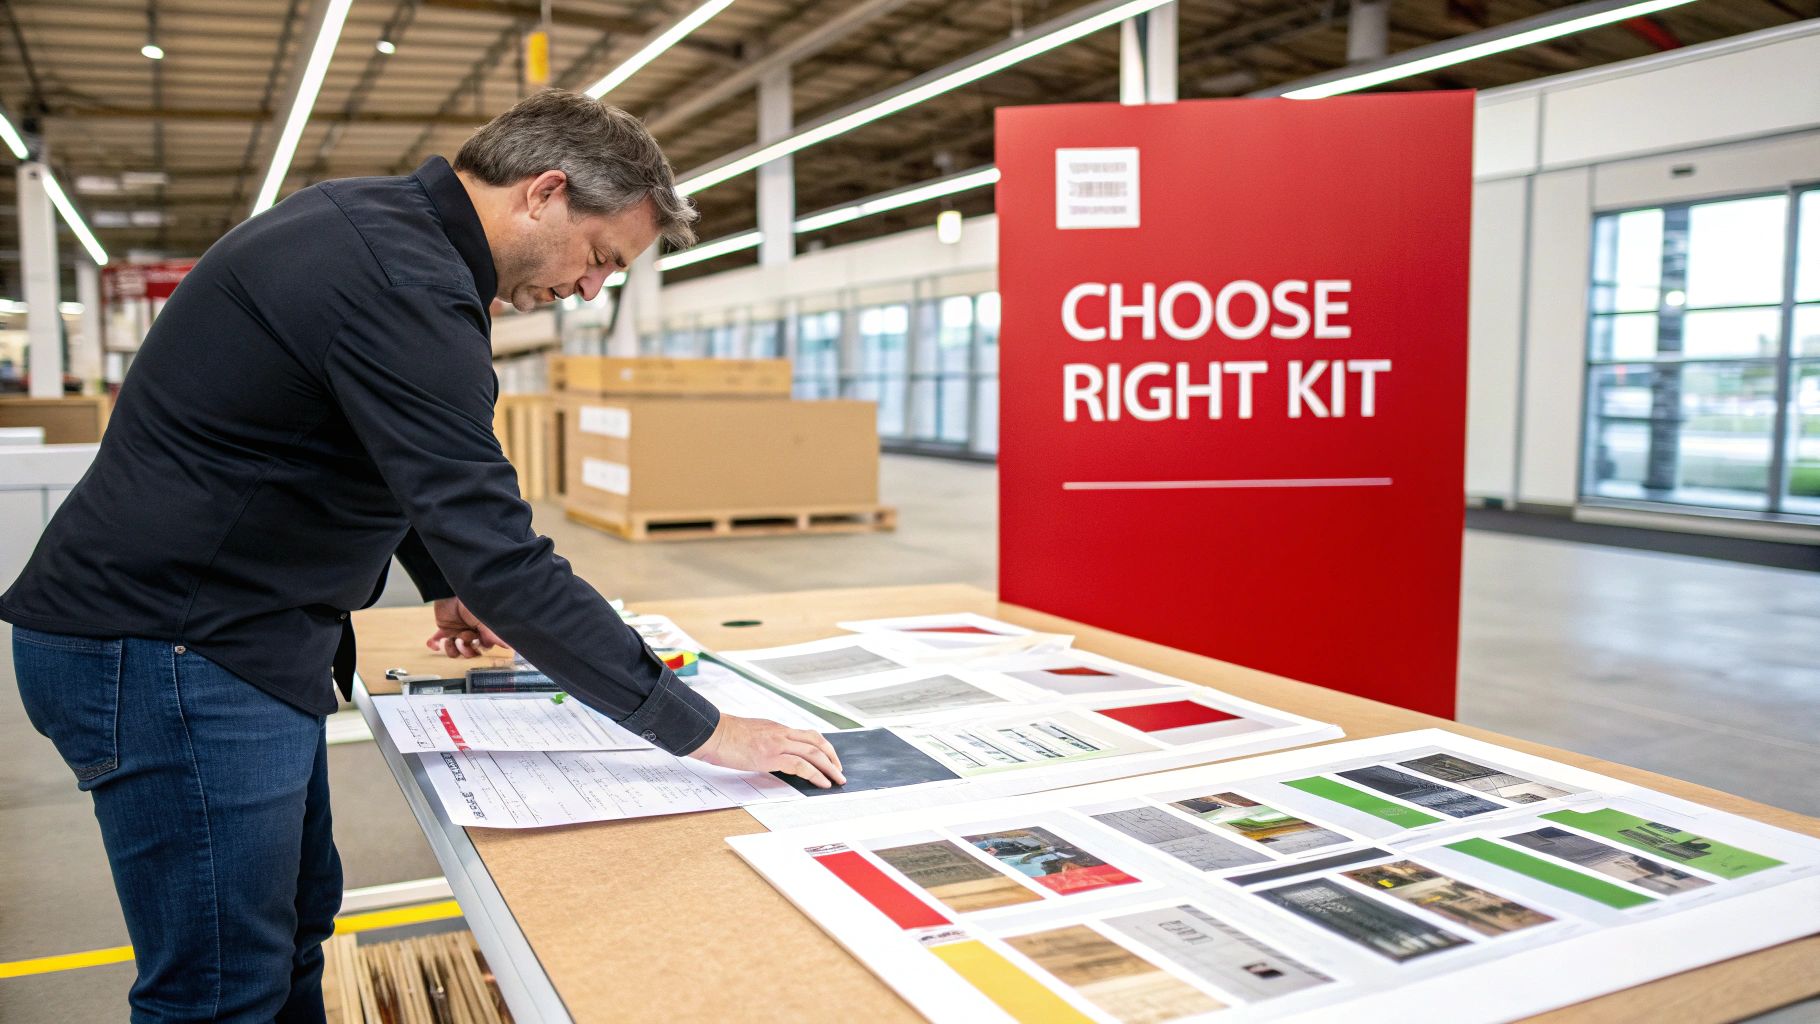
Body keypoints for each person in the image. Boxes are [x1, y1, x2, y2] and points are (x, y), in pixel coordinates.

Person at [1, 90, 844, 1023]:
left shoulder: (381, 235)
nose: (590, 289)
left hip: (216, 641)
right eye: (601, 258)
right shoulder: (399, 280)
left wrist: (442, 583)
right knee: (218, 988)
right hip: (171, 649)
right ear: (545, 192)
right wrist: (701, 729)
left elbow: (374, 449)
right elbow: (506, 555)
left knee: (287, 929)